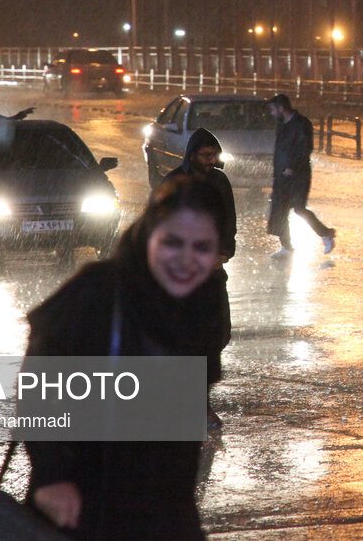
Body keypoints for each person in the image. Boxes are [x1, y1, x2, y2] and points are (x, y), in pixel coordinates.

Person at [24, 175, 226, 539]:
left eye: (202, 247)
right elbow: (39, 386)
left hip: (166, 507)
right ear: (150, 234)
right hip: (83, 505)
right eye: (172, 243)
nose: (186, 260)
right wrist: (52, 478)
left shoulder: (203, 302)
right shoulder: (98, 292)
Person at [164, 127, 236, 429]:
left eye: (214, 155)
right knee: (192, 341)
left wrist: (224, 252)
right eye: (206, 155)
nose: (211, 161)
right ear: (192, 154)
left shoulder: (219, 182)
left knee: (219, 334)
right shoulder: (174, 183)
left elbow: (229, 221)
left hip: (212, 273)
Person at [266, 93, 336, 259]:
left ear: (282, 108)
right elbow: (278, 152)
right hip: (282, 176)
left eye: (273, 110)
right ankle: (287, 246)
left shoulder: (302, 124)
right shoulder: (282, 125)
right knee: (279, 210)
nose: (272, 113)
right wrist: (276, 174)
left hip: (298, 176)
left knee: (299, 208)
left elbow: (305, 148)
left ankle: (326, 234)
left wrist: (293, 167)